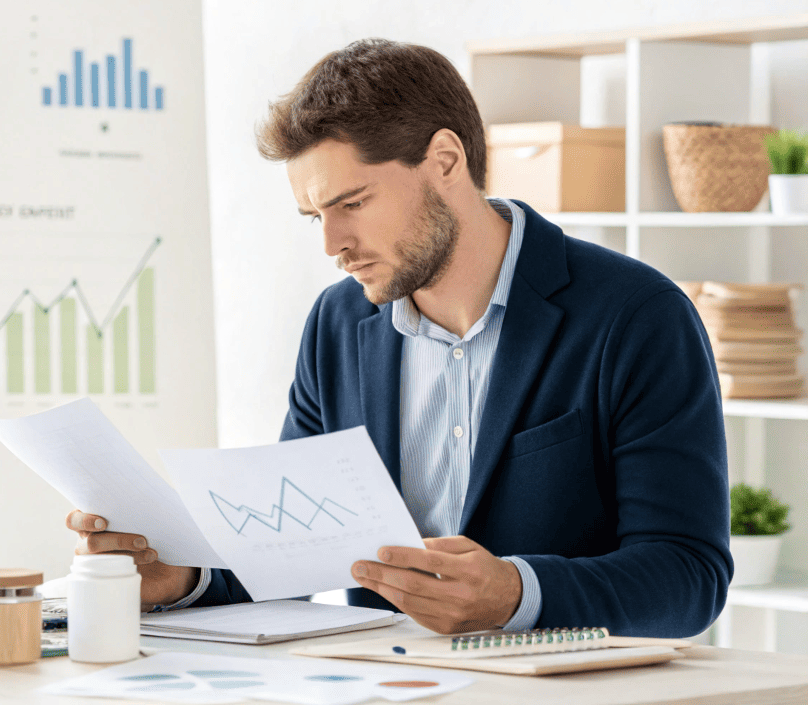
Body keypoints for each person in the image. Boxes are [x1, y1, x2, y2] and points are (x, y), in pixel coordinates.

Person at [66, 39, 732, 637]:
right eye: (314, 216)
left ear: (446, 159)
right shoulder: (336, 326)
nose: (333, 244)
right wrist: (179, 578)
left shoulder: (638, 315)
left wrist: (516, 593)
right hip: (386, 685)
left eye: (352, 204)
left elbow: (688, 575)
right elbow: (288, 553)